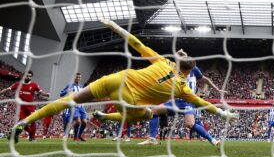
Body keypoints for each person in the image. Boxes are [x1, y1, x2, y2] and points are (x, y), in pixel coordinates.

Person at [10, 20, 239, 143]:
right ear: (189, 73)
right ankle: (106, 117)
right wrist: (224, 114)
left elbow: (137, 44)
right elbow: (202, 103)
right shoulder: (182, 89)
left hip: (117, 77)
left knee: (69, 99)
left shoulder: (161, 60)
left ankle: (25, 121)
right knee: (147, 114)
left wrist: (116, 27)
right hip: (127, 97)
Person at [138, 62, 225, 146]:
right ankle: (152, 139)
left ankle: (213, 140)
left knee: (190, 124)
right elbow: (167, 77)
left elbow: (205, 79)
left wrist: (217, 89)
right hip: (176, 101)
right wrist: (158, 82)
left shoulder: (194, 69)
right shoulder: (175, 69)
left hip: (189, 101)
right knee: (154, 111)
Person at [0, 70, 50, 142]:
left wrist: (46, 94)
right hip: (21, 107)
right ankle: (30, 133)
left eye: (30, 76)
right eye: (27, 76)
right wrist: (1, 92)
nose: (28, 77)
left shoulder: (34, 85)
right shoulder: (18, 84)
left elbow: (41, 92)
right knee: (22, 122)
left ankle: (32, 137)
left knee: (33, 121)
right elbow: (8, 89)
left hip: (30, 106)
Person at [60, 72, 87, 141]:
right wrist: (67, 91)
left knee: (84, 122)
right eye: (77, 77)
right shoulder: (70, 85)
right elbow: (61, 93)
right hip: (74, 106)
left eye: (79, 77)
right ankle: (75, 137)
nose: (78, 78)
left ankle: (79, 135)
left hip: (81, 106)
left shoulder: (81, 86)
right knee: (78, 121)